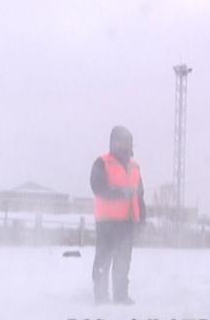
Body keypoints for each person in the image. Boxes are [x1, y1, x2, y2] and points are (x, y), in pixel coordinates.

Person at [90, 126, 145, 305]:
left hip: (128, 222)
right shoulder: (102, 162)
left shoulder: (135, 167)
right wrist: (121, 193)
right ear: (112, 142)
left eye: (127, 141)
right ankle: (100, 296)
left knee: (123, 260)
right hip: (107, 222)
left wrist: (142, 218)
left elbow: (139, 196)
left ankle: (121, 295)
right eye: (120, 141)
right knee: (103, 258)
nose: (124, 145)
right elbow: (98, 188)